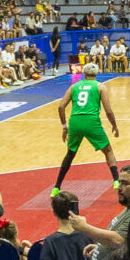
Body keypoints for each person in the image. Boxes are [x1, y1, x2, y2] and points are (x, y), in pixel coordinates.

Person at [50, 63, 120, 191]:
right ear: (97, 73)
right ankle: (116, 181)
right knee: (108, 151)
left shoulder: (74, 86)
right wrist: (114, 125)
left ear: (84, 73)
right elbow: (108, 111)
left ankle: (56, 187)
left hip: (75, 121)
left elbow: (61, 107)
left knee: (70, 154)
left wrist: (64, 127)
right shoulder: (100, 87)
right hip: (91, 121)